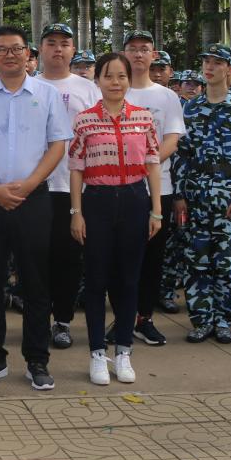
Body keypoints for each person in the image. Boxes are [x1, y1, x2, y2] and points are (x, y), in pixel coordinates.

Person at [0, 24, 71, 391]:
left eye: (16, 49)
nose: (10, 55)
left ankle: (37, 360)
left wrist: (32, 182)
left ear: (28, 54)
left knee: (35, 282)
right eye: (2, 49)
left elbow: (58, 144)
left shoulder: (47, 95)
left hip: (33, 199)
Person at [68, 52, 161, 385]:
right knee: (96, 281)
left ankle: (123, 351)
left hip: (135, 201)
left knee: (129, 281)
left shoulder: (143, 118)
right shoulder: (84, 120)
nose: (115, 82)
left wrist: (156, 210)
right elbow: (76, 169)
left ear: (129, 80)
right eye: (108, 76)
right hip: (97, 202)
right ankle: (97, 353)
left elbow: (153, 163)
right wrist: (76, 213)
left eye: (122, 76)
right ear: (97, 81)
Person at [174, 43, 231, 344]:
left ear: (230, 69)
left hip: (228, 196)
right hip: (196, 194)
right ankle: (201, 320)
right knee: (196, 261)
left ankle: (223, 320)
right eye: (206, 61)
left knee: (227, 263)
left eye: (217, 62)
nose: (209, 67)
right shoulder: (190, 108)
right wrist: (180, 195)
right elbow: (182, 154)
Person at [35, 23, 100, 351]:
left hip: (74, 186)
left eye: (64, 43)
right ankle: (37, 319)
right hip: (35, 185)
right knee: (35, 257)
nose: (57, 49)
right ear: (40, 49)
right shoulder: (29, 86)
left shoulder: (88, 89)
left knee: (68, 258)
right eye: (51, 43)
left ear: (73, 50)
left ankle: (62, 320)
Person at [122, 30, 185, 344]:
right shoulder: (111, 90)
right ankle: (122, 319)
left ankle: (144, 318)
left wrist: (143, 165)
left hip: (158, 188)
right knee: (121, 259)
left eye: (144, 49)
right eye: (132, 49)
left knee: (152, 258)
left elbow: (172, 139)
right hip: (117, 187)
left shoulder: (167, 96)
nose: (138, 54)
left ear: (154, 55)